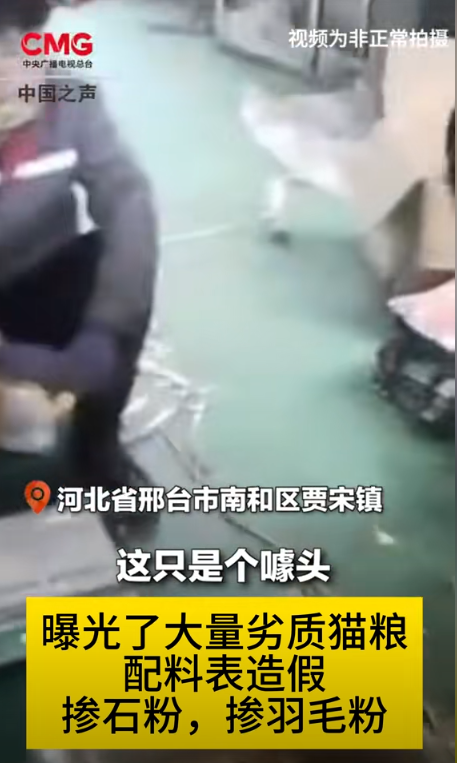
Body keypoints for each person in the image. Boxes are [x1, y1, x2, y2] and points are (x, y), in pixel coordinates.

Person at [0, 0, 159, 492]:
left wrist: (104, 329)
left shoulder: (70, 95)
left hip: (34, 277)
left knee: (117, 263)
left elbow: (128, 202)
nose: (7, 73)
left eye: (17, 47)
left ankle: (97, 447)